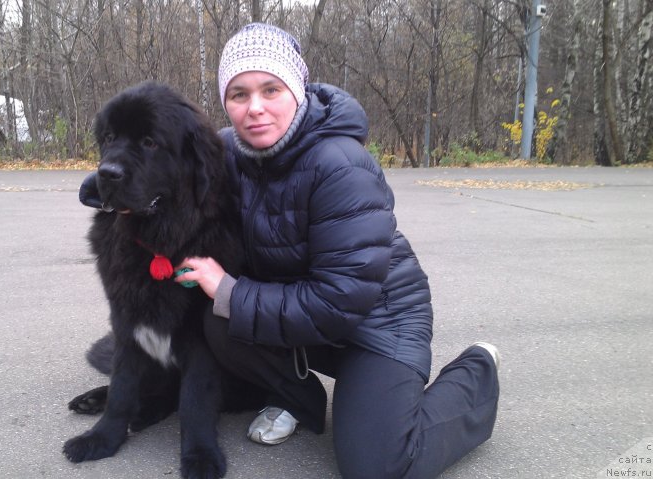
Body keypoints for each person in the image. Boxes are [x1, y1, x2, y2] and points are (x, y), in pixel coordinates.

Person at [81, 22, 500, 479]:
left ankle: (476, 373)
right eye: (239, 94)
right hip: (299, 318)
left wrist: (228, 291)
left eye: (270, 89)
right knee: (215, 321)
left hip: (375, 324)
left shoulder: (340, 167)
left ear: (296, 90)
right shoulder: (229, 152)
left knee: (379, 466)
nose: (255, 108)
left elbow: (338, 302)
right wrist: (111, 183)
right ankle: (299, 398)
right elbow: (164, 166)